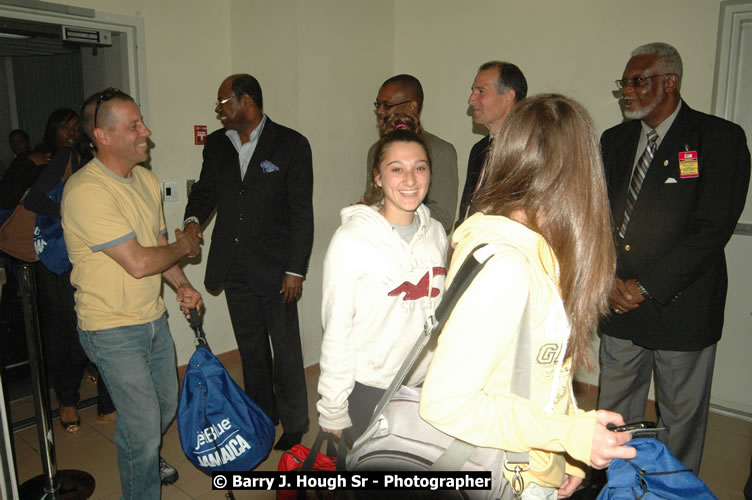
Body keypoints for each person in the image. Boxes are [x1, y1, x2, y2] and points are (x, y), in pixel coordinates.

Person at [420, 94, 637, 499]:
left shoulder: (537, 249)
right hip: (503, 473)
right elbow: (445, 403)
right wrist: (568, 434)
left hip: (531, 462)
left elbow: (542, 376)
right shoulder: (508, 266)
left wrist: (566, 452)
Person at [597, 42, 750, 475]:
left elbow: (711, 228)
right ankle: (618, 485)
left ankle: (671, 488)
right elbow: (596, 216)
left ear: (670, 83)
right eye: (624, 83)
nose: (626, 91)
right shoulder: (615, 140)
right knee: (614, 416)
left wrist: (644, 287)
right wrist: (606, 278)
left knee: (679, 422)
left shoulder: (718, 139)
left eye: (637, 81)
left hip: (681, 306)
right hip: (617, 303)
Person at [61, 88, 203, 499]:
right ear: (102, 136)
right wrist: (188, 244)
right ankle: (141, 477)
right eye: (134, 126)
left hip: (152, 319)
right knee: (142, 427)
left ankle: (141, 454)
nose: (147, 131)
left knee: (164, 408)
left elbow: (158, 249)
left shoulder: (145, 179)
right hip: (110, 328)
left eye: (141, 121)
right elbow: (140, 262)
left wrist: (184, 285)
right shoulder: (87, 191)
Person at [183, 73, 313, 451]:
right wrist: (192, 220)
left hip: (277, 271)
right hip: (234, 267)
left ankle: (294, 423)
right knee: (251, 349)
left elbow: (301, 212)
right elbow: (206, 191)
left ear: (247, 101)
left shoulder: (290, 144)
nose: (219, 109)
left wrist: (295, 269)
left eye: (224, 101)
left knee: (285, 349)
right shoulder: (217, 145)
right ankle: (261, 414)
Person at [319, 114, 447, 440]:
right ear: (377, 177)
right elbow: (336, 330)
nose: (410, 179)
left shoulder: (436, 234)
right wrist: (332, 409)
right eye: (396, 169)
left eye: (420, 167)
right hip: (370, 388)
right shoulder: (351, 240)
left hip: (423, 385)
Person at [23, 108, 115, 432]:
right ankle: (67, 400)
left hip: (81, 256)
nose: (73, 134)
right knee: (68, 331)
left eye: (77, 129)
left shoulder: (85, 160)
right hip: (57, 261)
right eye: (67, 128)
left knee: (89, 326)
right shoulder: (61, 158)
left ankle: (97, 399)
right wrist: (71, 209)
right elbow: (34, 200)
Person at [365, 74, 458, 231]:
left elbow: (443, 217)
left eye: (387, 105)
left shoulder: (440, 151)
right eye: (378, 104)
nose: (380, 111)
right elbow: (372, 198)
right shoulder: (376, 150)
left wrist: (393, 215)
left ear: (412, 106)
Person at [456, 61, 527, 225]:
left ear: (508, 97)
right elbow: (466, 210)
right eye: (472, 91)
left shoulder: (530, 150)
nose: (471, 100)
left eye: (481, 91)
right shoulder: (479, 149)